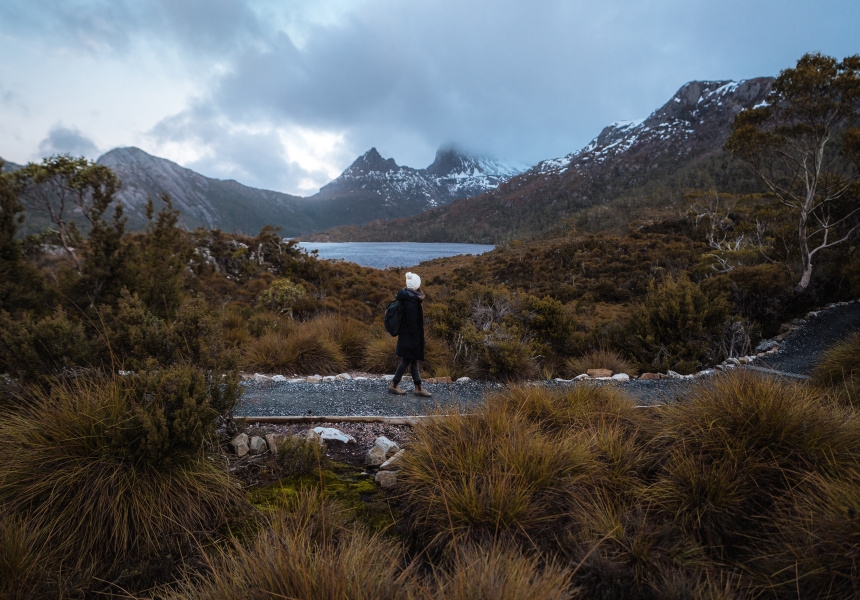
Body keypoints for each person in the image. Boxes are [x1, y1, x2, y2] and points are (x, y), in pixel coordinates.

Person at [389, 271, 432, 397]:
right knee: (407, 360)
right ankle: (394, 385)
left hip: (406, 335)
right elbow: (412, 324)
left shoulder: (408, 296)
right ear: (417, 285)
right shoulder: (412, 301)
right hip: (411, 337)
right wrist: (417, 341)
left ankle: (418, 388)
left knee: (413, 361)